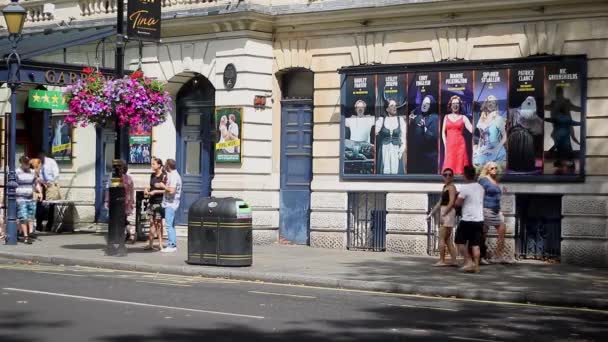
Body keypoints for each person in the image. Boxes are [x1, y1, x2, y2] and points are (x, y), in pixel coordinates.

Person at [478, 162, 511, 264]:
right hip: (486, 209)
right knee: (484, 233)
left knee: (502, 229)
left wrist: (500, 210)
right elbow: (480, 195)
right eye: (492, 168)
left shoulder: (495, 180)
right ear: (487, 169)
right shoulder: (483, 180)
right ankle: (480, 257)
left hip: (496, 211)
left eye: (496, 168)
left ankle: (498, 255)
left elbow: (497, 197)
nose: (494, 169)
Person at [454, 165, 485, 273]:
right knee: (476, 244)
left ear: (465, 175)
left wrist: (456, 200)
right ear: (474, 175)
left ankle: (468, 262)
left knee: (459, 241)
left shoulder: (465, 188)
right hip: (479, 219)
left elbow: (458, 203)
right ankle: (476, 267)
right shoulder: (481, 188)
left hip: (467, 219)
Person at [427, 168, 458, 266]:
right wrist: (431, 213)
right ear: (443, 176)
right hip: (446, 211)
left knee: (441, 237)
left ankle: (442, 260)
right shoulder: (445, 187)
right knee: (447, 239)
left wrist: (443, 214)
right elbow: (440, 202)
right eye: (445, 175)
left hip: (448, 212)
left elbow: (452, 201)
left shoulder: (451, 187)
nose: (447, 176)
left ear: (452, 177)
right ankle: (454, 261)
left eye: (450, 175)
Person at [507, 96, 543, 172]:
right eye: (528, 101)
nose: (529, 103)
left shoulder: (535, 118)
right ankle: (514, 167)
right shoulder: (513, 111)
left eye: (531, 102)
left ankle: (525, 167)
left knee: (525, 156)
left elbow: (539, 129)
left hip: (527, 138)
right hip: (514, 136)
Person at [442, 95, 473, 175]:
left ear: (459, 105)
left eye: (457, 103)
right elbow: (443, 133)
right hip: (449, 146)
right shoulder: (446, 117)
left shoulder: (463, 117)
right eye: (453, 103)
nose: (455, 105)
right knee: (449, 169)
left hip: (460, 146)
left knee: (460, 170)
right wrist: (445, 145)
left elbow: (471, 129)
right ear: (450, 105)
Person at [408, 95, 439, 173]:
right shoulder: (418, 117)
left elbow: (434, 138)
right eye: (424, 103)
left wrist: (424, 129)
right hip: (417, 157)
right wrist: (409, 122)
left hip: (429, 159)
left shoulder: (435, 118)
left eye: (428, 104)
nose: (424, 105)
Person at [473, 95, 507, 168]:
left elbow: (505, 136)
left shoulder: (499, 119)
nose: (491, 104)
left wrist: (496, 149)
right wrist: (478, 149)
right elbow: (481, 138)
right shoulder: (481, 119)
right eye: (489, 102)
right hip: (483, 148)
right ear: (486, 103)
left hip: (495, 149)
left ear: (495, 105)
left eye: (493, 103)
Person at [156, 159, 182, 253]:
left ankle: (172, 245)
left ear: (168, 166)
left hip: (171, 204)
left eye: (165, 165)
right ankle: (172, 243)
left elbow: (172, 190)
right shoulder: (172, 175)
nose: (164, 166)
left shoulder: (174, 176)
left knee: (168, 225)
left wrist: (163, 186)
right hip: (169, 203)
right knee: (171, 225)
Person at [375, 98, 406, 174]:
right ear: (387, 109)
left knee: (397, 172)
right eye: (392, 105)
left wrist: (401, 149)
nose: (394, 107)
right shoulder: (382, 120)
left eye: (395, 105)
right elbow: (374, 132)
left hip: (396, 150)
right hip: (384, 150)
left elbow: (404, 137)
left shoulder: (400, 120)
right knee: (384, 171)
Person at [144, 157, 167, 251]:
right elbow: (150, 186)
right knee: (151, 223)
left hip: (159, 202)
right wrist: (147, 189)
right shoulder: (152, 175)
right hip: (151, 202)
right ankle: (150, 244)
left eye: (154, 164)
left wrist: (155, 192)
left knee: (159, 224)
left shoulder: (164, 176)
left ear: (159, 165)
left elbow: (166, 190)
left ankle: (161, 244)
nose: (152, 165)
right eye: (152, 164)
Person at [37, 152, 61, 232]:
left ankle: (49, 226)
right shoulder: (38, 162)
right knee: (40, 205)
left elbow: (56, 173)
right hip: (42, 185)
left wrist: (52, 182)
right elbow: (38, 173)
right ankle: (39, 225)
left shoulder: (51, 162)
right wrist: (41, 181)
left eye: (41, 158)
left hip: (50, 185)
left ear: (44, 156)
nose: (40, 160)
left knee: (51, 205)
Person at [16, 156, 37, 244]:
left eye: (28, 163)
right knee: (23, 217)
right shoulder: (17, 172)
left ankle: (29, 232)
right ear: (21, 163)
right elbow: (13, 184)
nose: (27, 165)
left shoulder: (32, 172)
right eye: (25, 163)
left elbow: (34, 184)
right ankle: (25, 236)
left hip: (30, 197)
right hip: (20, 198)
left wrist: (36, 193)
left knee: (30, 216)